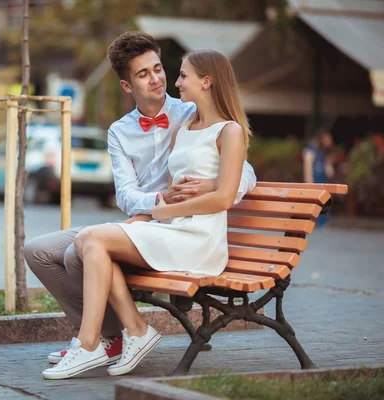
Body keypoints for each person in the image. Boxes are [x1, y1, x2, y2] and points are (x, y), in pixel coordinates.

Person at [24, 31, 256, 379]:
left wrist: (207, 187)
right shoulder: (120, 131)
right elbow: (126, 196)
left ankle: (100, 341)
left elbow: (243, 173)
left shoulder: (192, 112)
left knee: (80, 251)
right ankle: (111, 336)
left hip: (172, 227)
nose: (160, 79)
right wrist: (158, 203)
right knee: (37, 251)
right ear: (126, 85)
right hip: (147, 222)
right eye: (144, 73)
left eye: (160, 69)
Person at [303, 128, 334, 227]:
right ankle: (314, 222)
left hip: (322, 178)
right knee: (315, 201)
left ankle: (322, 222)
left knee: (325, 201)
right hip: (315, 178)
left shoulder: (324, 151)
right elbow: (308, 164)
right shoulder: (312, 149)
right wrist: (309, 180)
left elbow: (328, 168)